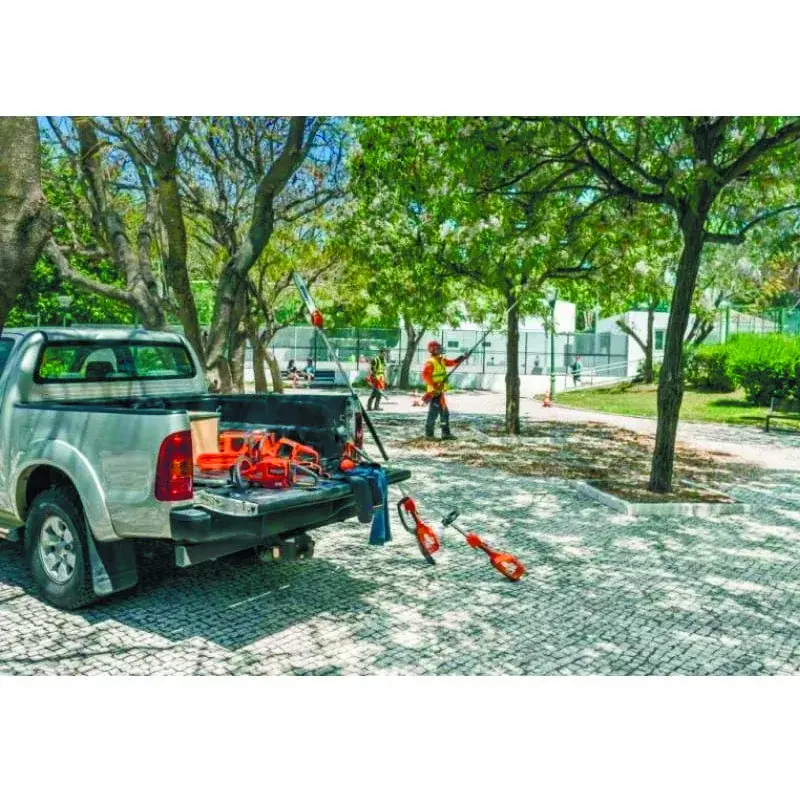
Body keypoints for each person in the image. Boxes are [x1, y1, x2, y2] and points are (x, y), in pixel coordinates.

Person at [422, 340, 466, 440]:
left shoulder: (441, 360)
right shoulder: (430, 362)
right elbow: (425, 376)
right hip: (434, 392)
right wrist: (434, 385)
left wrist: (461, 357)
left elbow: (452, 363)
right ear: (432, 350)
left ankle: (445, 433)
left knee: (444, 413)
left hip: (440, 392)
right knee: (433, 414)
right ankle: (429, 435)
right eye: (438, 348)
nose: (440, 349)